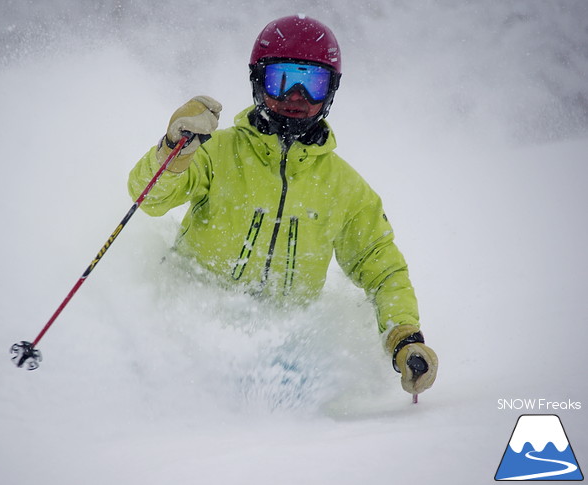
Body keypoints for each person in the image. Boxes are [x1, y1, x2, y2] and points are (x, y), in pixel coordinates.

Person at [128, 14, 438, 397]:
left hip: (281, 356)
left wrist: (405, 337)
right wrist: (172, 154)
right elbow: (148, 199)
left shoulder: (344, 187)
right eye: (283, 80)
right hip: (182, 332)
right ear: (259, 82)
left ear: (331, 91)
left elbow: (383, 268)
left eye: (313, 83)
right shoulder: (217, 152)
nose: (296, 97)